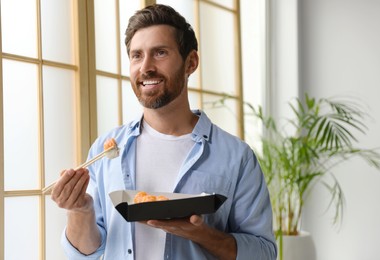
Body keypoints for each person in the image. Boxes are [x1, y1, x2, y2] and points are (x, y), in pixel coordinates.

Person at [51, 4, 277, 260]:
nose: (145, 67)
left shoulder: (237, 157)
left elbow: (264, 253)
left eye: (159, 53)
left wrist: (201, 233)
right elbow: (87, 252)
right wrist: (80, 211)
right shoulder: (106, 150)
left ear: (191, 62)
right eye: (137, 55)